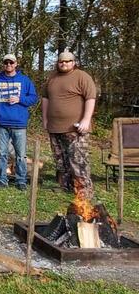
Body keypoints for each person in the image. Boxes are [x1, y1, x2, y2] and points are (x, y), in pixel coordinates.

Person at [41, 51, 96, 199]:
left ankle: (84, 192)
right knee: (61, 161)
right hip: (55, 128)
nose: (64, 64)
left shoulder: (82, 76)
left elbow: (90, 98)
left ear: (73, 62)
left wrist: (86, 120)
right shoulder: (52, 78)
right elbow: (45, 99)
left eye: (67, 61)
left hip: (75, 129)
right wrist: (45, 119)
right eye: (61, 61)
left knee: (78, 161)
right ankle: (66, 187)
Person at [0, 54, 38, 191]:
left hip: (19, 123)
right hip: (2, 123)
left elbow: (33, 98)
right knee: (2, 154)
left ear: (16, 64)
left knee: (20, 155)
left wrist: (20, 99)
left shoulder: (25, 80)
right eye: (6, 63)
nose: (8, 65)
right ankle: (2, 179)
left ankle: (21, 180)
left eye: (11, 62)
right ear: (3, 64)